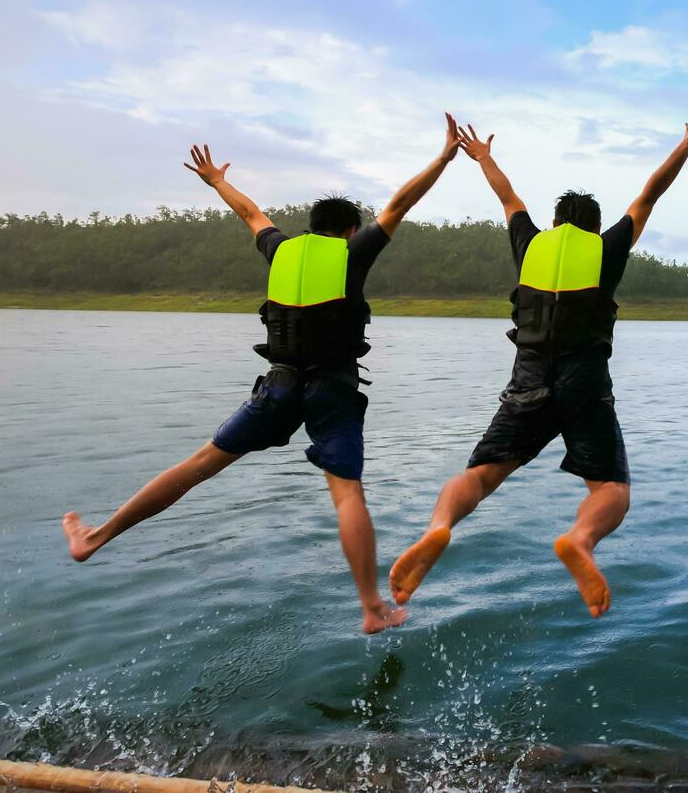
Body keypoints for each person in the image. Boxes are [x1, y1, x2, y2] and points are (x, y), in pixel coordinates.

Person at [61, 116, 465, 634]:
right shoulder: (353, 251)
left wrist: (216, 181)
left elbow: (250, 212)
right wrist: (444, 158)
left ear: (310, 226)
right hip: (332, 391)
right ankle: (370, 608)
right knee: (347, 494)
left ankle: (95, 537)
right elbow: (399, 205)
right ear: (349, 230)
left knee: (199, 464)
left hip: (277, 387)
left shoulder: (280, 248)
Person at [388, 110, 688, 618]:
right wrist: (686, 146)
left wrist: (484, 158)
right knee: (611, 489)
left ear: (558, 221)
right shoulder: (607, 248)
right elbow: (650, 193)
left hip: (527, 383)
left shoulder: (530, 242)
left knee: (479, 475)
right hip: (584, 384)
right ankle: (580, 540)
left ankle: (438, 528)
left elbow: (507, 196)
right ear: (592, 224)